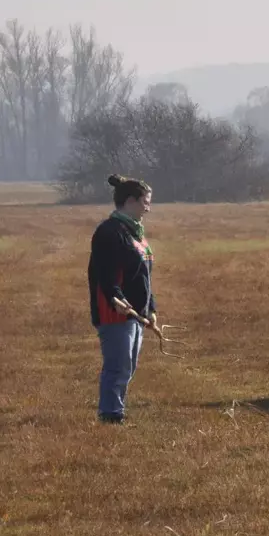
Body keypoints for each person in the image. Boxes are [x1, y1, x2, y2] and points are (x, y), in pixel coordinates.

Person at [88, 174, 157, 425]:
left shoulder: (135, 232)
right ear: (130, 201)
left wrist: (150, 308)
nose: (148, 208)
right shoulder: (109, 232)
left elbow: (143, 275)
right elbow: (103, 273)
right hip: (115, 312)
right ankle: (110, 415)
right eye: (145, 202)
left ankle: (115, 410)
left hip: (136, 313)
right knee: (118, 367)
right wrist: (115, 298)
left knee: (128, 367)